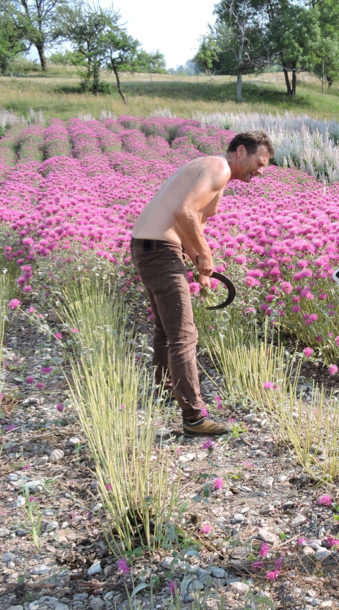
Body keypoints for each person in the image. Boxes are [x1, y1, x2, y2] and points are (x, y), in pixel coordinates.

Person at [131, 131, 273, 437]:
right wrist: (205, 256)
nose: (261, 171)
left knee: (166, 330)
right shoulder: (219, 168)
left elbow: (188, 219)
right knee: (184, 335)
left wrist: (199, 263)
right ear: (240, 151)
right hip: (161, 251)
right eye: (259, 163)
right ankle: (194, 418)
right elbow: (184, 212)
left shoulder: (210, 166)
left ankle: (165, 393)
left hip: (148, 247)